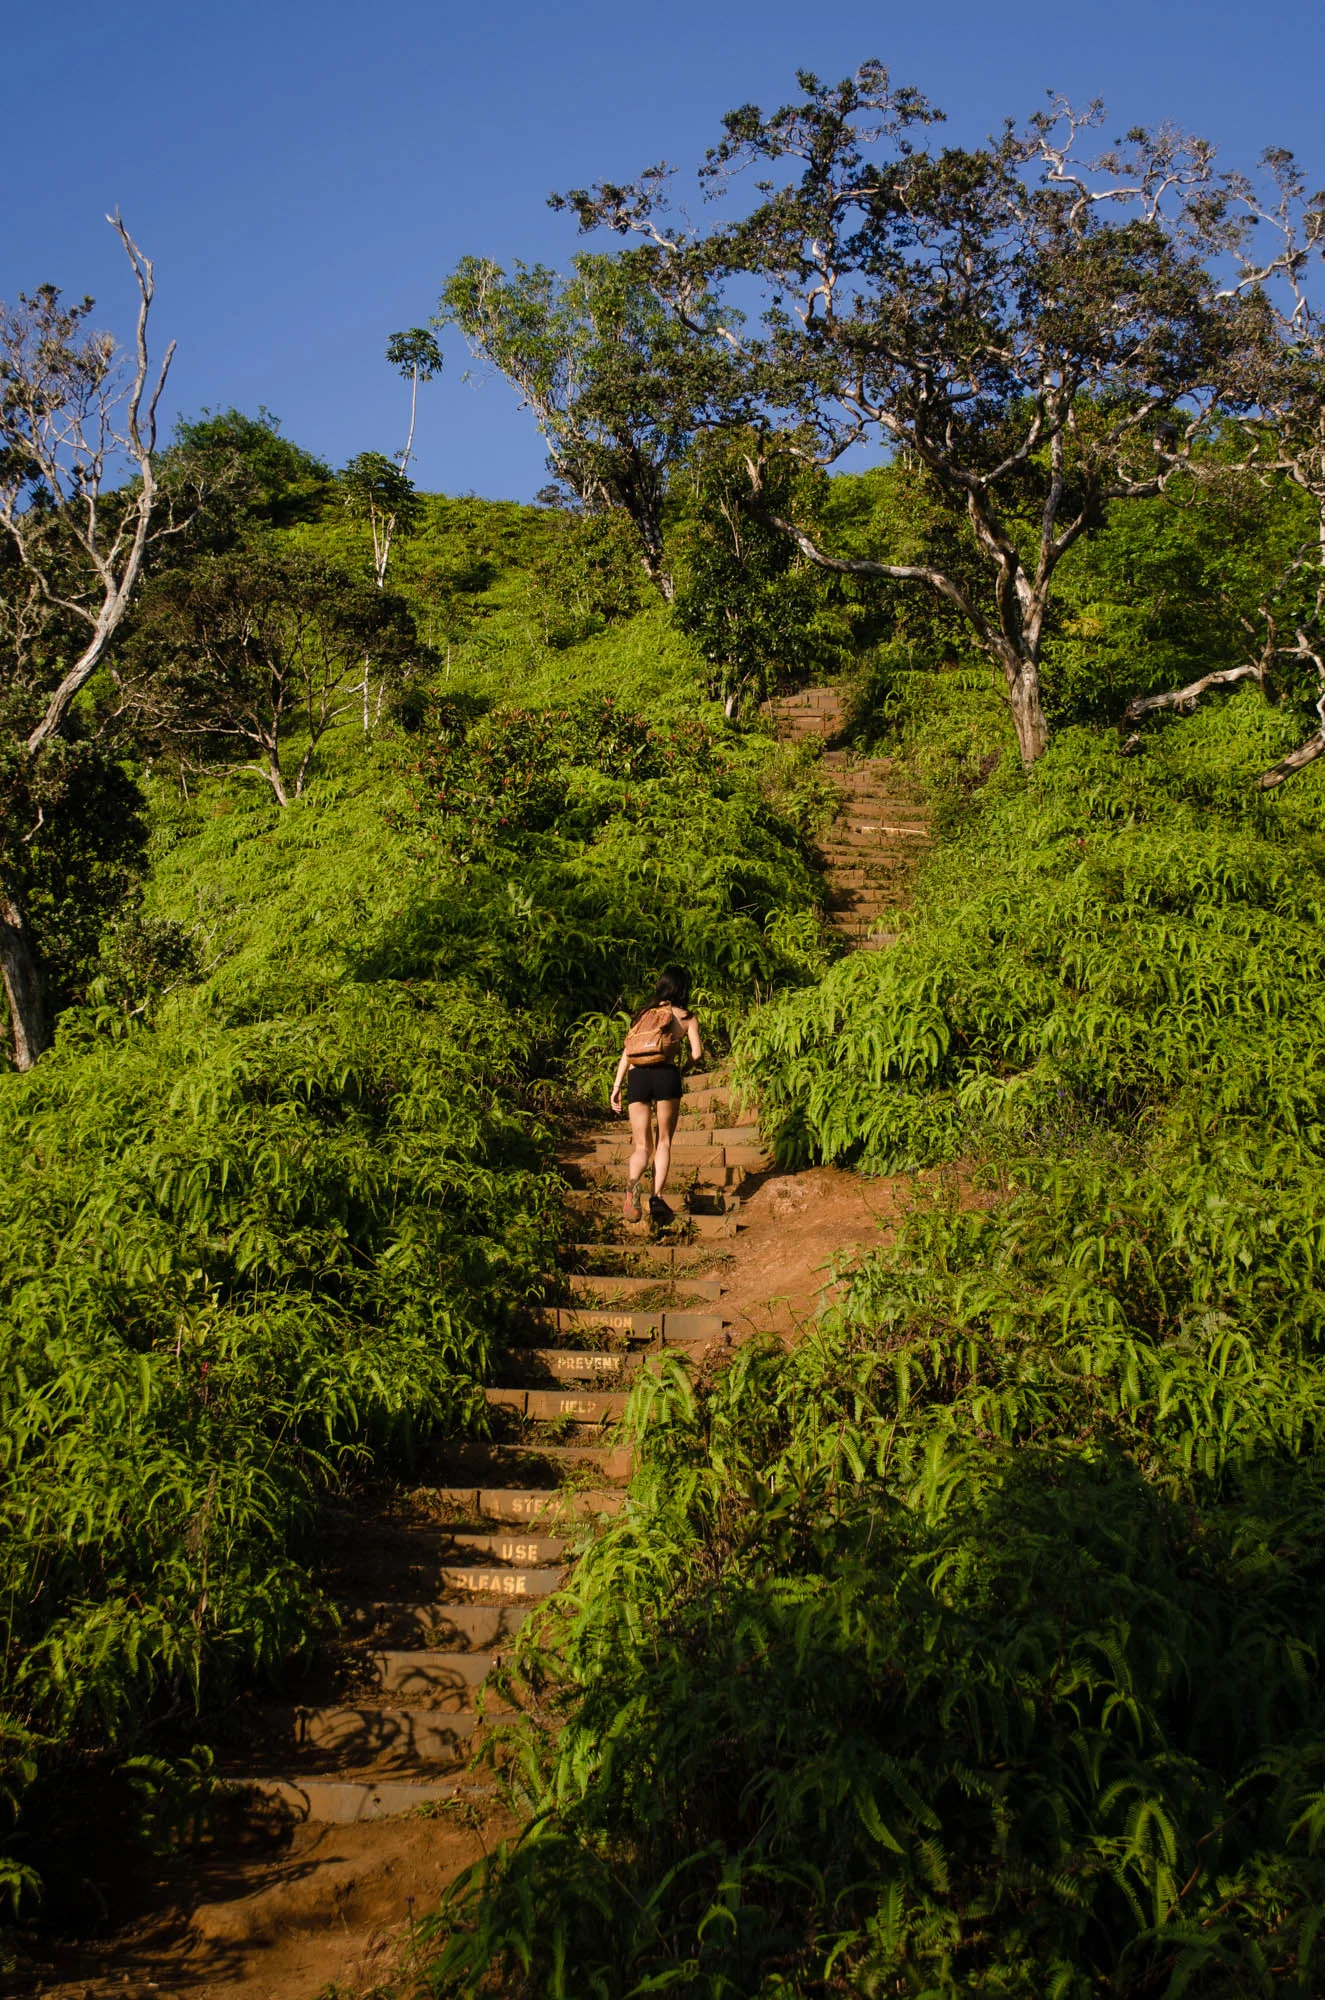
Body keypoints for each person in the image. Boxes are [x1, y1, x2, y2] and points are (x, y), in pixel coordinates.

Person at [609, 967, 703, 1224]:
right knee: (663, 1142)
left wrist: (617, 1086)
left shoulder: (644, 1013)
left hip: (637, 1077)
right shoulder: (686, 1017)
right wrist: (684, 1069)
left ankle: (632, 1184)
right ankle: (656, 1197)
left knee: (641, 1146)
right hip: (666, 1075)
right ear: (683, 988)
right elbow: (696, 1053)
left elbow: (628, 1051)